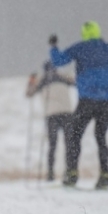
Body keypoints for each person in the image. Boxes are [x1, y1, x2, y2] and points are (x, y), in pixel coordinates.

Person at [49, 21, 108, 189]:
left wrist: (53, 46)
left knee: (74, 135)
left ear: (84, 34)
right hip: (107, 101)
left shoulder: (80, 48)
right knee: (101, 137)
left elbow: (59, 61)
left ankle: (72, 174)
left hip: (87, 100)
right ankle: (105, 175)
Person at [27, 45, 77, 181]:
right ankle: (70, 172)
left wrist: (31, 82)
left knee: (52, 145)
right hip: (67, 113)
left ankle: (50, 174)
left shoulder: (42, 80)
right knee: (69, 144)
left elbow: (29, 93)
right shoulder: (62, 77)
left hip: (51, 115)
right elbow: (76, 82)